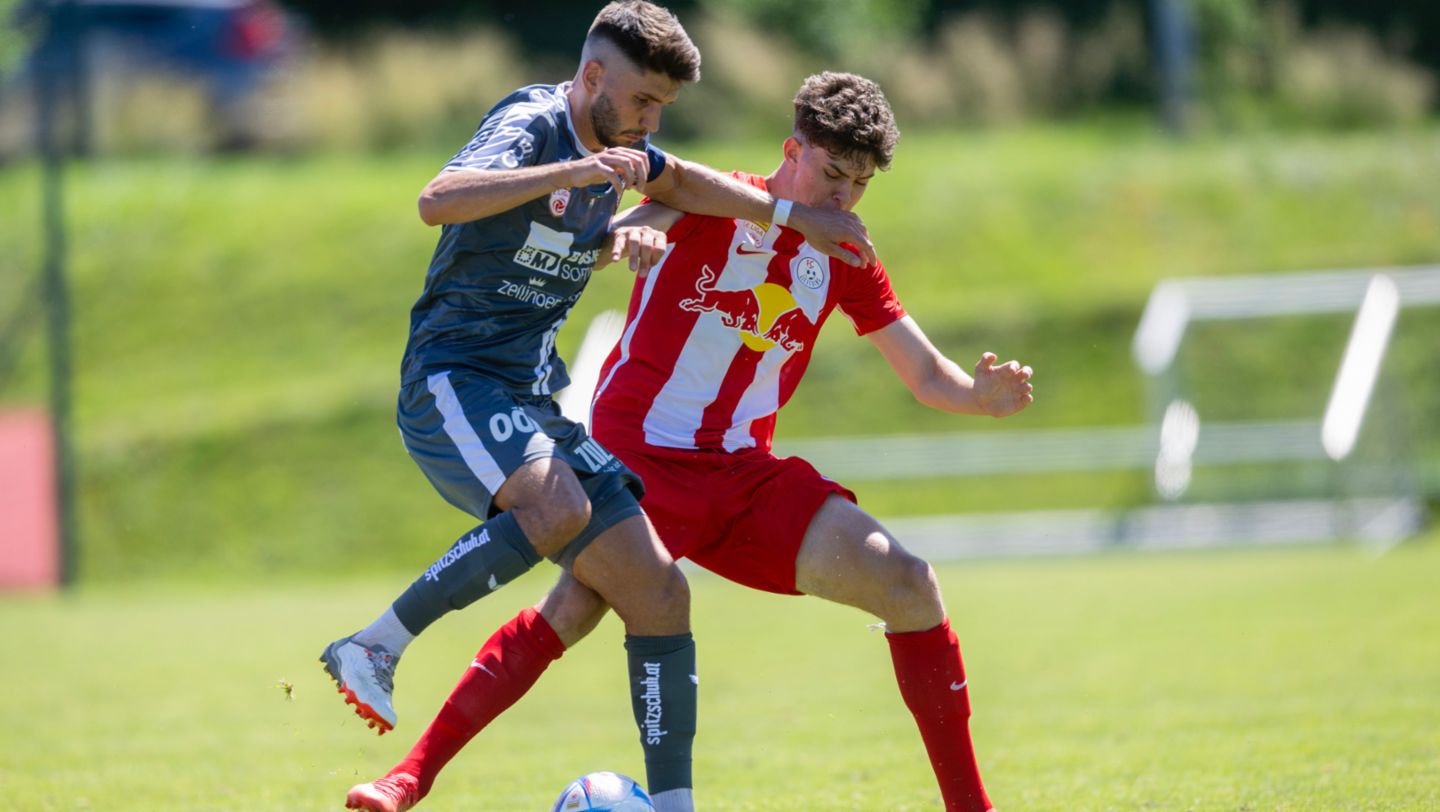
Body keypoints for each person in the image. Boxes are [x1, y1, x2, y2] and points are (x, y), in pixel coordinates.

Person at [344, 72, 1031, 812]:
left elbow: (926, 373)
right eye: (832, 174)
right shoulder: (708, 200)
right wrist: (633, 232)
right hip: (639, 464)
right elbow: (618, 233)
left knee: (910, 585)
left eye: (859, 185)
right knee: (569, 614)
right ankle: (407, 778)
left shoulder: (842, 253)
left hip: (746, 477)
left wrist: (976, 397)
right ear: (790, 149)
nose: (842, 199)